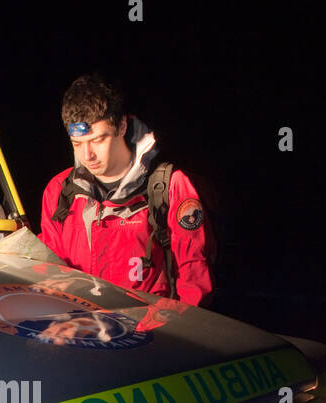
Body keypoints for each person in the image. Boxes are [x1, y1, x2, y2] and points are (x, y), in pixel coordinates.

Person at [38, 74, 215, 306]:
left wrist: (172, 335)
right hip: (81, 328)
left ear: (122, 125)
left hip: (150, 332)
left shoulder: (170, 187)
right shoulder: (59, 191)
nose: (87, 155)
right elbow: (48, 270)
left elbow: (194, 279)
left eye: (98, 140)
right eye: (77, 143)